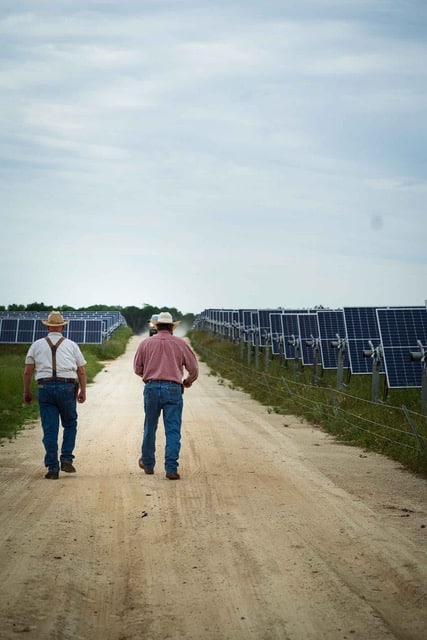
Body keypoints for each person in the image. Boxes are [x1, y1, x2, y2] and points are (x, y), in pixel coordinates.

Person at [133, 311, 198, 480]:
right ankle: (171, 468)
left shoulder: (145, 344)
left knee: (150, 427)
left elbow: (137, 369)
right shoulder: (180, 344)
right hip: (173, 389)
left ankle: (147, 463)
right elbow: (194, 368)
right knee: (173, 429)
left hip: (152, 388)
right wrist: (188, 381)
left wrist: (150, 375)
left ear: (156, 326)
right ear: (171, 327)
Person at [23, 310, 87, 479]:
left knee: (50, 429)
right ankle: (66, 459)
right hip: (67, 388)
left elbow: (28, 372)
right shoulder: (71, 345)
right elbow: (81, 371)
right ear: (62, 327)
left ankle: (52, 468)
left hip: (44, 388)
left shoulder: (36, 345)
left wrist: (27, 391)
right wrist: (82, 391)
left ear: (48, 326)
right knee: (70, 424)